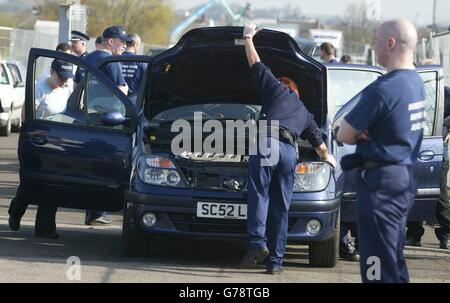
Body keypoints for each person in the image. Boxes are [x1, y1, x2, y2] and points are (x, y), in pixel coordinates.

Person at [239, 22, 337, 275]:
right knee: (281, 207)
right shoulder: (304, 112)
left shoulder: (276, 89)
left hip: (268, 143)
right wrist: (332, 161)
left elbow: (255, 63)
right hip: (289, 153)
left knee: (259, 194)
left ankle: (258, 244)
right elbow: (321, 148)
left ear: (285, 85)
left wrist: (248, 37)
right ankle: (276, 263)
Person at [336, 19, 425, 283]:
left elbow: (343, 133)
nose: (373, 46)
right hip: (403, 180)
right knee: (393, 259)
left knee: (376, 263)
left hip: (380, 186)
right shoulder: (416, 83)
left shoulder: (384, 88)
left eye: (376, 40)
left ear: (390, 42)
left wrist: (366, 130)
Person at [8, 59, 75, 239]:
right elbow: (25, 116)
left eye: (66, 78)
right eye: (60, 77)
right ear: (52, 72)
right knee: (31, 182)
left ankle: (45, 228)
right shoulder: (39, 88)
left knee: (53, 184)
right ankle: (16, 211)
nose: (63, 81)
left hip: (56, 143)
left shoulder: (67, 87)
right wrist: (33, 136)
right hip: (36, 141)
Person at [83, 26, 132, 225]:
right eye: (122, 42)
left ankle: (91, 210)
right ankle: (97, 211)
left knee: (91, 167)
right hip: (108, 119)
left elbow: (80, 84)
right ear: (111, 41)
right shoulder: (113, 62)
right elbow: (122, 91)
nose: (124, 46)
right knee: (105, 167)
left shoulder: (88, 58)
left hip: (88, 117)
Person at [405, 59, 450, 249]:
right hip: (411, 149)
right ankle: (414, 234)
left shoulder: (443, 92)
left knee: (439, 195)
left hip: (435, 150)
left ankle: (446, 234)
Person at [121, 33, 148, 101]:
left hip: (116, 98)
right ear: (135, 44)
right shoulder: (141, 61)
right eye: (139, 45)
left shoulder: (114, 60)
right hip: (133, 100)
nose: (139, 48)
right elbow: (146, 82)